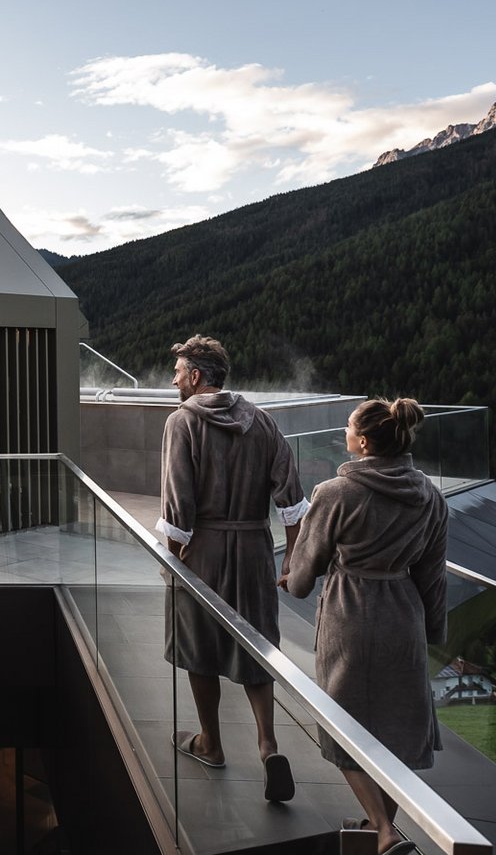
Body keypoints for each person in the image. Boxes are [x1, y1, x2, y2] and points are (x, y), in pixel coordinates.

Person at [281, 398, 448, 855]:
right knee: (399, 727)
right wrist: (433, 632)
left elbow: (304, 570)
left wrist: (292, 582)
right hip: (404, 616)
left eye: (348, 428)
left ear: (364, 442)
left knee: (342, 723)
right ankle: (382, 829)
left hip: (348, 614)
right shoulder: (431, 497)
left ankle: (384, 830)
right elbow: (433, 575)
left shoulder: (335, 493)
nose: (344, 435)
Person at [158, 334, 307, 803]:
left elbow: (178, 503)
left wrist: (172, 555)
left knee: (197, 645)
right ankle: (268, 745)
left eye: (179, 371)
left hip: (202, 550)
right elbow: (292, 499)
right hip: (253, 549)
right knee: (255, 643)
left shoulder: (182, 422)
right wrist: (293, 557)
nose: (174, 379)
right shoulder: (262, 422)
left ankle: (212, 743)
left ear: (197, 376)